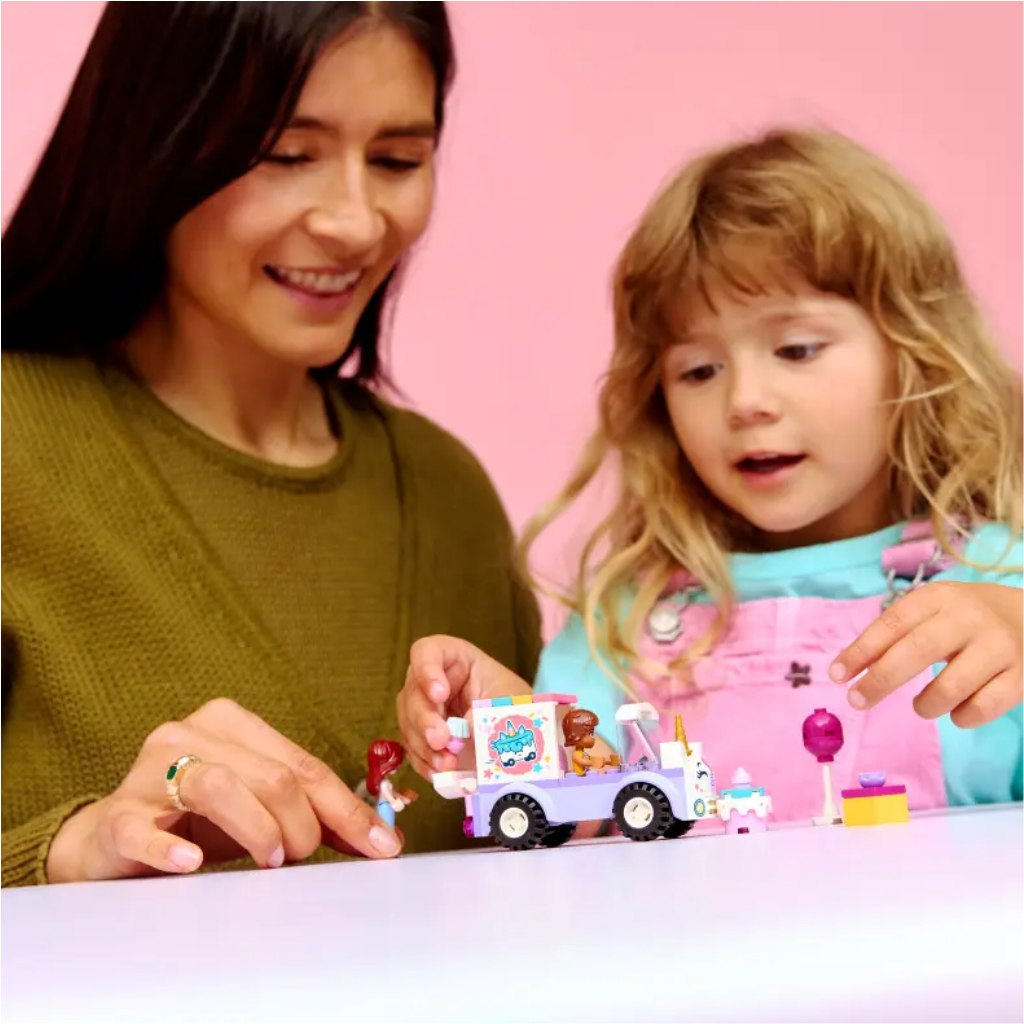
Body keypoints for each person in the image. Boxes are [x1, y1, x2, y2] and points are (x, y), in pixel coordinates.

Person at [1, 1, 541, 887]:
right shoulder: (16, 444)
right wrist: (67, 855)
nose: (356, 223)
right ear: (154, 141)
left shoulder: (449, 496)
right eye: (289, 156)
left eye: (398, 160)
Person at [399, 128, 1022, 828]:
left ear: (914, 353)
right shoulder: (628, 617)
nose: (745, 401)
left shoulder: (1001, 586)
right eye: (699, 370)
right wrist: (506, 731)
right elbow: (576, 822)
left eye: (796, 349)